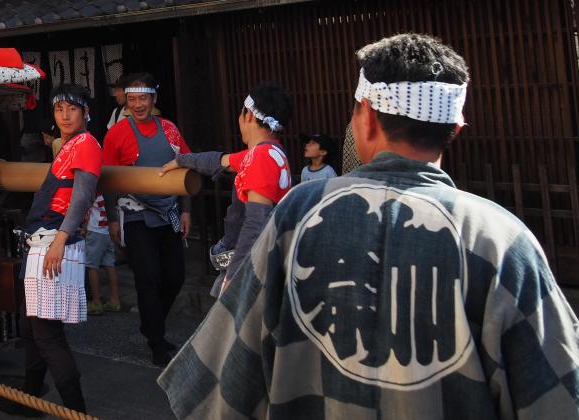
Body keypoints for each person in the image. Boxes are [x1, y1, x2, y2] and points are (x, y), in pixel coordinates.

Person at [159, 33, 579, 419]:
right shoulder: (500, 237)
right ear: (454, 128)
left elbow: (228, 379)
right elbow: (555, 394)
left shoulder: (300, 214)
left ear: (367, 119)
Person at [7, 83, 102, 416]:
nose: (65, 115)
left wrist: (61, 240)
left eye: (72, 109)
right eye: (59, 109)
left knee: (46, 333)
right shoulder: (68, 145)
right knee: (30, 327)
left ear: (86, 113)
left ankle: (77, 410)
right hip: (43, 241)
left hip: (53, 242)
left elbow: (82, 195)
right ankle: (30, 399)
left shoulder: (86, 144)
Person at [160, 81, 293, 297]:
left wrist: (235, 275)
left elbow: (255, 223)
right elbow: (220, 161)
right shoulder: (270, 152)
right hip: (261, 257)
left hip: (252, 265)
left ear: (248, 115)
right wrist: (182, 160)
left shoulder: (260, 157)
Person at [102, 72, 192, 366]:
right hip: (135, 212)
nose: (138, 104)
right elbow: (109, 178)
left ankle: (150, 324)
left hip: (169, 212)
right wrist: (113, 219)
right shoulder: (117, 133)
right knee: (148, 278)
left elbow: (186, 168)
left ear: (154, 99)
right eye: (132, 99)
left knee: (175, 276)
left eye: (143, 98)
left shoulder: (170, 129)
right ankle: (156, 341)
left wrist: (187, 209)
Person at [83, 193, 120, 315]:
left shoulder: (95, 192)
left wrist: (83, 228)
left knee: (92, 266)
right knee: (110, 264)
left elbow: (86, 211)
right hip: (107, 230)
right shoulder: (111, 192)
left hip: (95, 230)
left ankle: (96, 302)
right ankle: (114, 300)